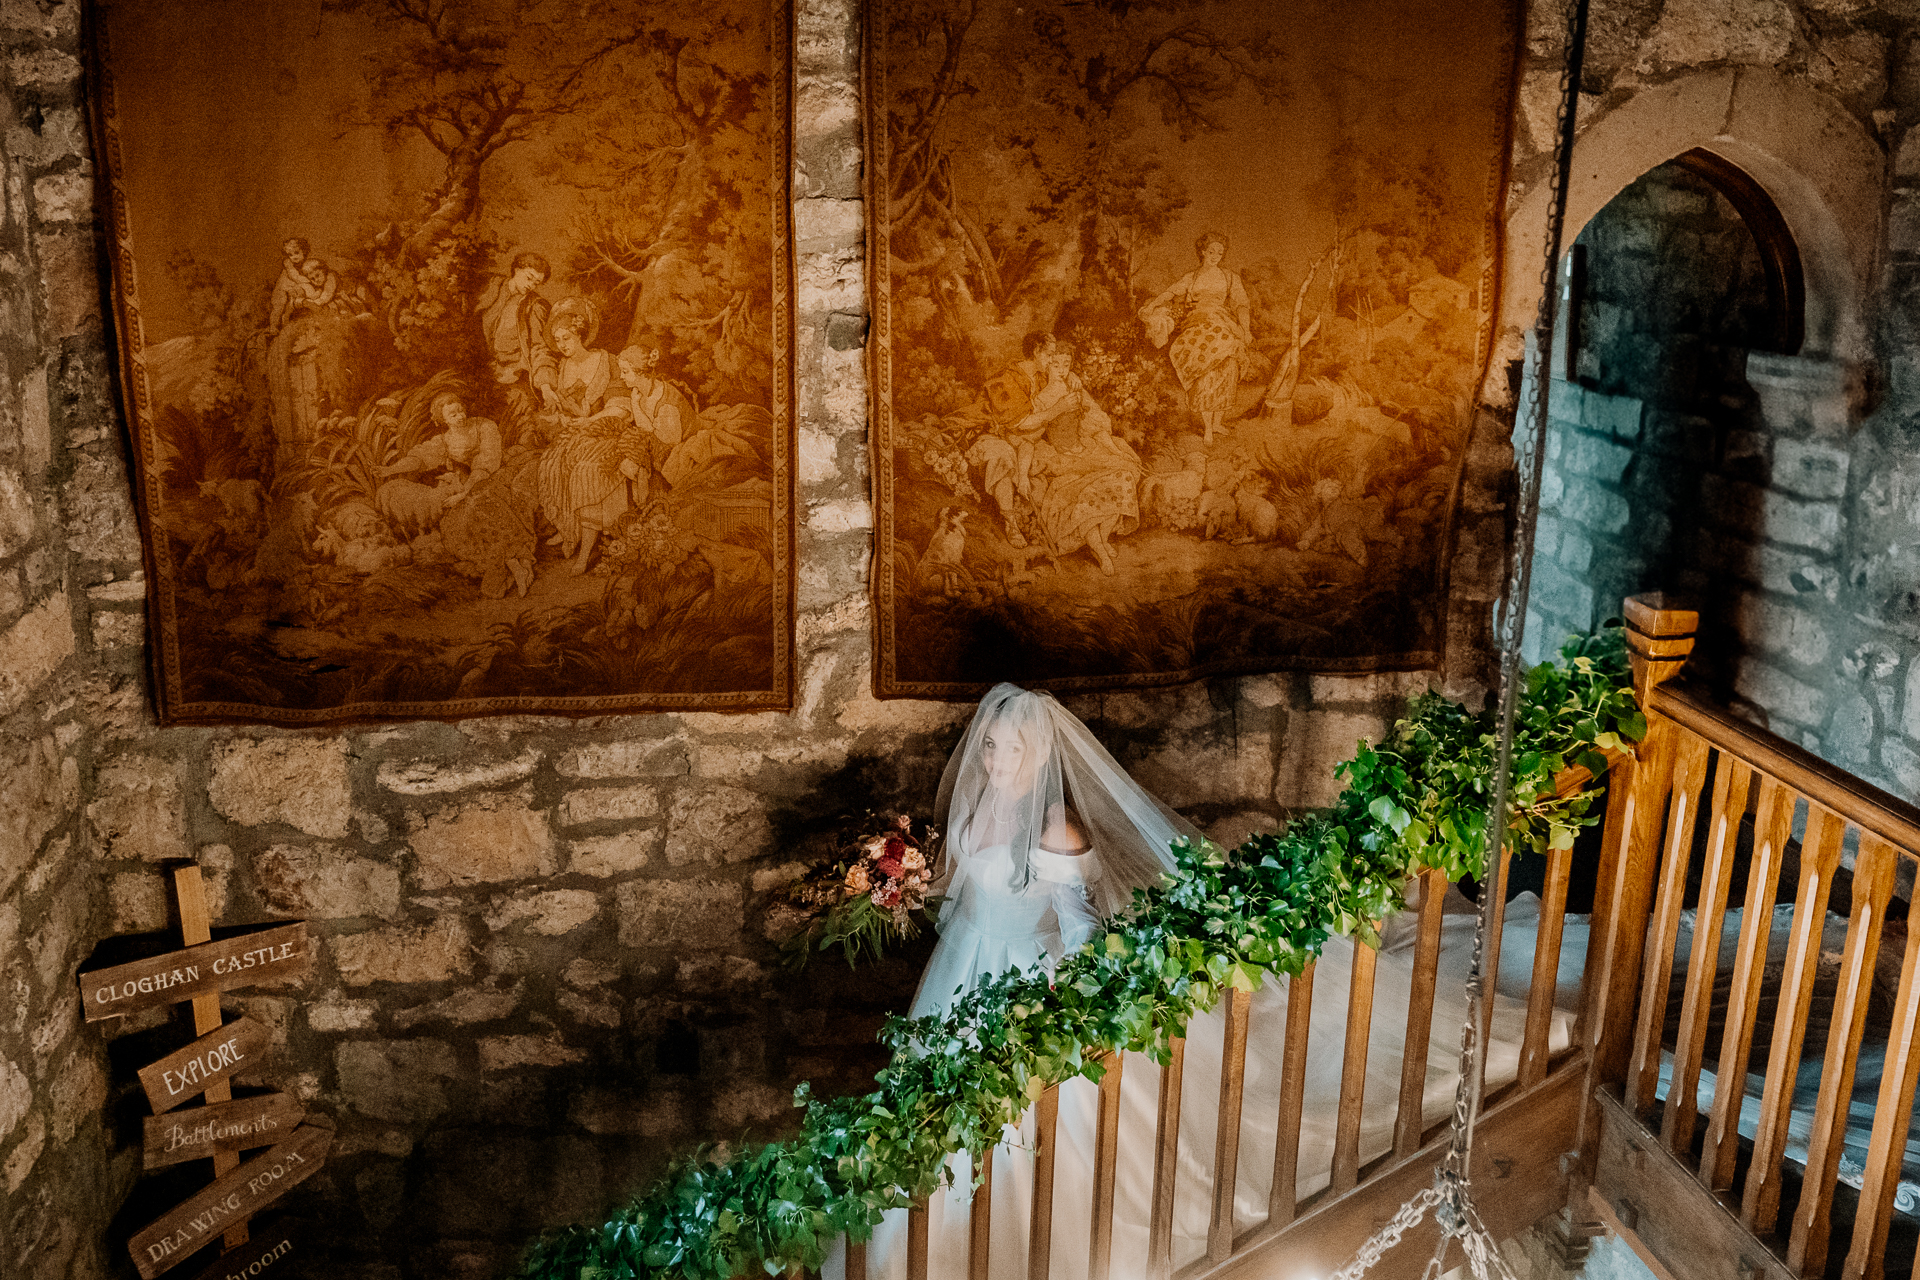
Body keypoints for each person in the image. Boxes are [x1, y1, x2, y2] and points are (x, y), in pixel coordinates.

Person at [824, 688, 1580, 1280]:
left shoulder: (1058, 827)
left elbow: (1082, 927)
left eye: (1007, 749)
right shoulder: (981, 805)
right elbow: (966, 884)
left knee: (1032, 1129)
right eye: (988, 745)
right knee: (938, 1115)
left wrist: (1072, 995)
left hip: (1024, 985)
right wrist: (901, 880)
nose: (992, 760)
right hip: (964, 971)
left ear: (1040, 753)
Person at [1028, 342, 1142, 574]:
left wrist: (1115, 450)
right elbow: (1032, 432)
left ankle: (1100, 537)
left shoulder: (1077, 391)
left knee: (1125, 475)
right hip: (1063, 458)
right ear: (1048, 365)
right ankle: (1100, 551)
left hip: (1086, 449)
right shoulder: (1040, 399)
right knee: (1085, 496)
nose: (1061, 370)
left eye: (1066, 365)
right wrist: (1056, 410)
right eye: (1056, 364)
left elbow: (1096, 424)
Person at [1139, 231, 1253, 443]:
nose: (1215, 256)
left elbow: (1241, 304)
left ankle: (1217, 423)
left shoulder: (1230, 277)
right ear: (1202, 251)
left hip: (1223, 324)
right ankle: (1208, 427)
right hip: (1197, 325)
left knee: (1227, 369)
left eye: (1220, 252)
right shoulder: (1191, 278)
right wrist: (1153, 304)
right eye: (1211, 251)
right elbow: (1171, 293)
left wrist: (1245, 329)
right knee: (1204, 373)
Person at [474, 251, 559, 436]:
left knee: (518, 421)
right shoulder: (489, 288)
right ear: (516, 269)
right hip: (481, 370)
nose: (531, 285)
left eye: (536, 283)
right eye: (529, 278)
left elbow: (540, 347)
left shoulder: (535, 307)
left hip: (515, 377)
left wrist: (545, 386)